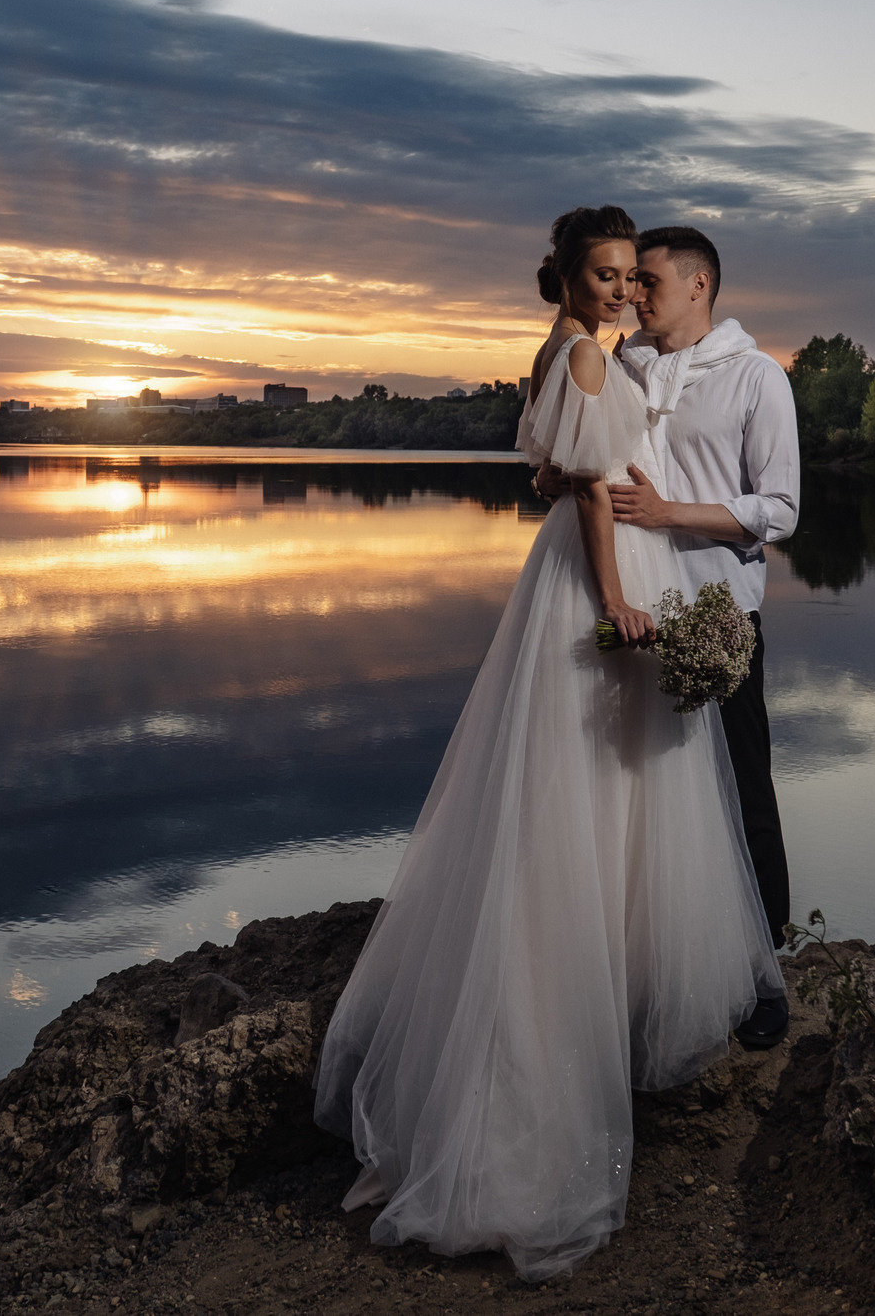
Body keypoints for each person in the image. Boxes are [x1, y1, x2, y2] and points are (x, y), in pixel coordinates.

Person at [314, 206, 783, 1283]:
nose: (623, 290)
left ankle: (599, 996)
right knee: (595, 792)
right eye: (606, 274)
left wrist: (583, 502)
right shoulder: (585, 353)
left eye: (631, 276)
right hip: (596, 581)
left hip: (575, 574)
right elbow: (590, 491)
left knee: (583, 793)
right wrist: (617, 600)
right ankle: (544, 1063)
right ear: (566, 278)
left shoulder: (568, 350)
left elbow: (559, 469)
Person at [608, 225, 801, 1049]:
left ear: (698, 284)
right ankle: (652, 965)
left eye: (647, 282)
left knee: (740, 790)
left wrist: (667, 514)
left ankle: (765, 973)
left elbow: (780, 511)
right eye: (628, 283)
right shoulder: (621, 367)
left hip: (719, 618)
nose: (633, 297)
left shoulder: (757, 377)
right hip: (633, 619)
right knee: (641, 796)